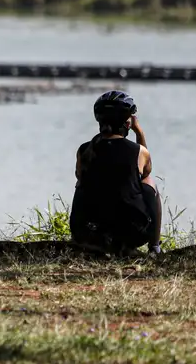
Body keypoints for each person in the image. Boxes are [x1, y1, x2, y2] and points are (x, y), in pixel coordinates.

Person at [70, 91, 163, 255]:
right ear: (127, 123)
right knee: (149, 181)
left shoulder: (85, 150)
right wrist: (139, 132)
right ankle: (154, 247)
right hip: (132, 233)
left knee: (81, 182)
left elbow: (80, 177)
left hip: (90, 234)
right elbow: (145, 171)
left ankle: (82, 239)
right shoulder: (139, 152)